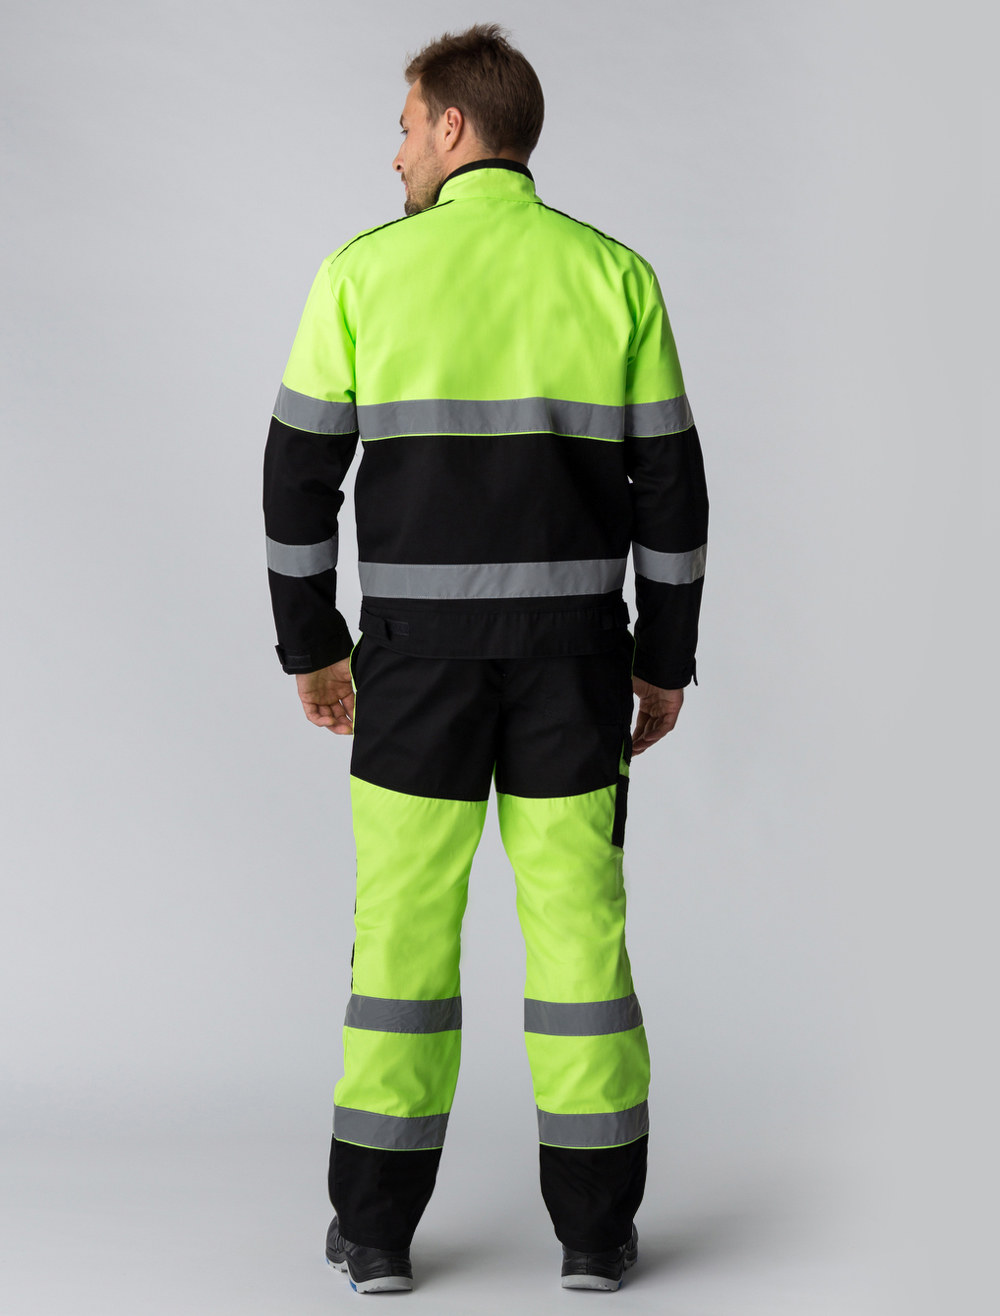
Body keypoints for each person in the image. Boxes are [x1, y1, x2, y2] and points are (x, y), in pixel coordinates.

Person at [263, 23, 708, 1295]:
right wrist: (662, 659)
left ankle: (377, 1235)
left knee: (401, 942)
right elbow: (673, 494)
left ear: (454, 126)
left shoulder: (362, 273)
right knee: (580, 944)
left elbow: (295, 479)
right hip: (576, 666)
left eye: (406, 123)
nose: (395, 149)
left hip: (414, 671)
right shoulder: (614, 275)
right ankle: (594, 1234)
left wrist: (315, 646)